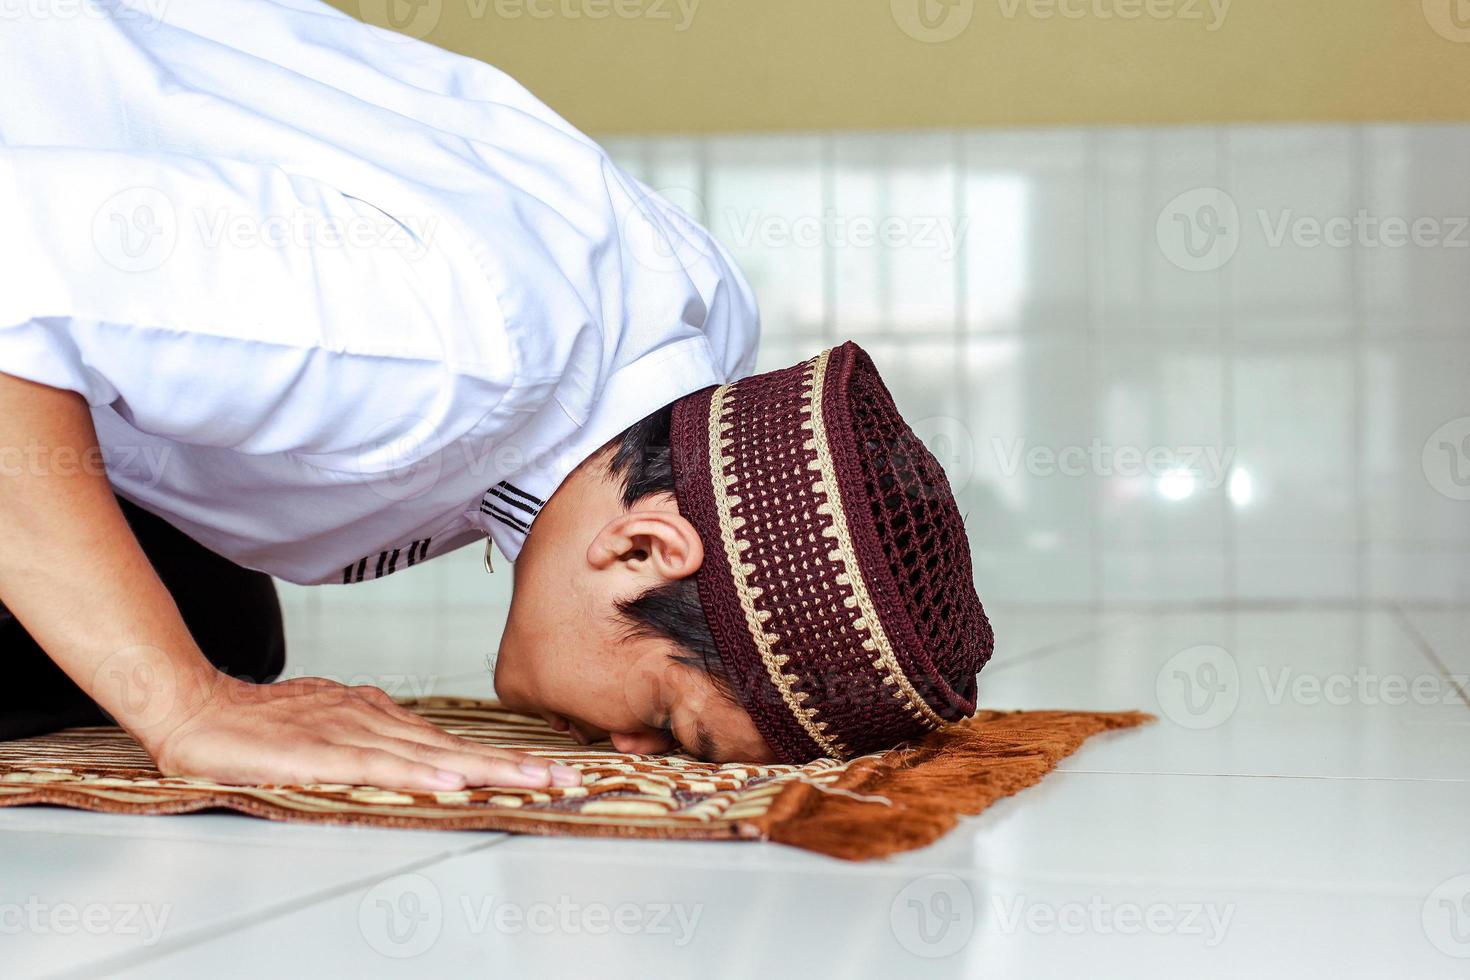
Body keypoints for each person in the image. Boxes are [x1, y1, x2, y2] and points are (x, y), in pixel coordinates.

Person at [0, 0, 994, 790]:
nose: (630, 752)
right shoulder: (439, 351)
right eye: (664, 721)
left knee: (218, 629)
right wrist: (185, 706)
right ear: (644, 545)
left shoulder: (683, 340)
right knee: (166, 665)